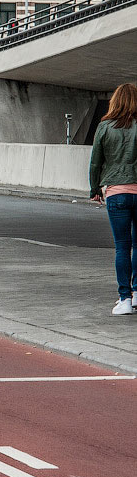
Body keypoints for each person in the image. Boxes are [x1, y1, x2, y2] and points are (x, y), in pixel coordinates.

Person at [90, 82, 137, 315]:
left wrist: (94, 188)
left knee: (122, 247)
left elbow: (96, 161)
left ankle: (124, 299)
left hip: (116, 192)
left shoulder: (105, 126)